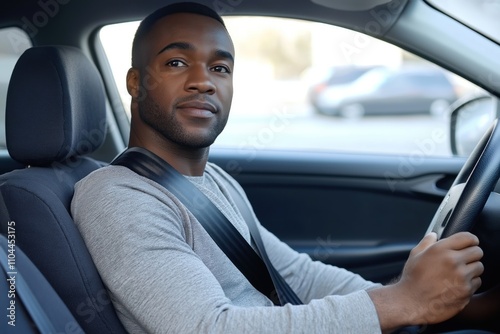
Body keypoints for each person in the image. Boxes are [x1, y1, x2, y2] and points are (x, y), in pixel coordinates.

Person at [71, 2, 498, 333]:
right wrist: (401, 303)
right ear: (134, 82)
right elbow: (206, 328)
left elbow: (294, 274)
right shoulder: (116, 196)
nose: (204, 80)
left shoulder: (214, 180)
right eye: (177, 63)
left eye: (220, 68)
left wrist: (432, 302)